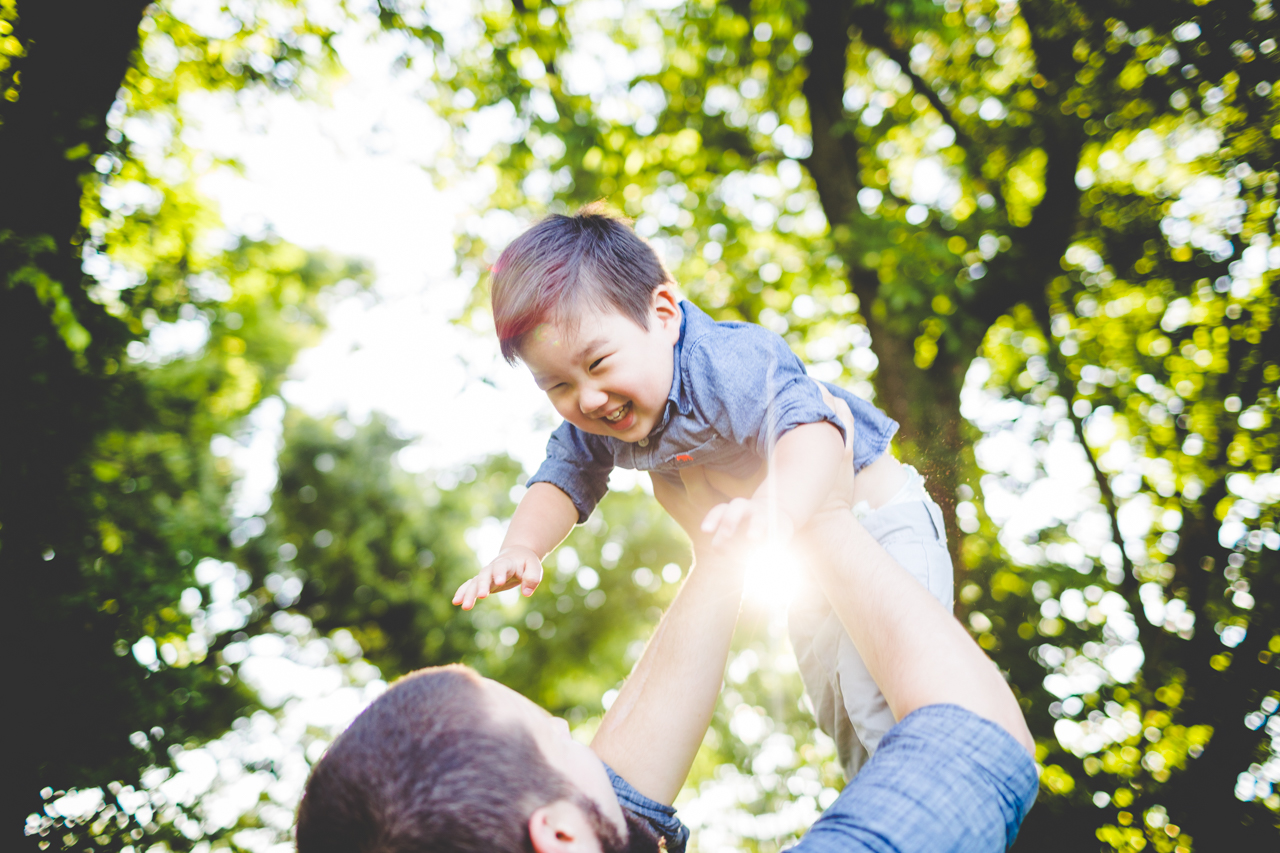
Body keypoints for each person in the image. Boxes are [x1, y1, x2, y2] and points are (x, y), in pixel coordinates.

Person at [296, 392, 1038, 853]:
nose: (585, 744)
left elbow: (618, 812)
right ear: (554, 835)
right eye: (559, 735)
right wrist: (820, 509)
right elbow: (976, 739)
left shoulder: (560, 825)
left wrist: (718, 559)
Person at [452, 205, 954, 778]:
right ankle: (880, 800)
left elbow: (814, 429)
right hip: (805, 561)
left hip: (879, 521)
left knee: (882, 699)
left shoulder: (726, 362)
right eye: (558, 385)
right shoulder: (598, 420)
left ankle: (929, 800)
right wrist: (522, 548)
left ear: (663, 313)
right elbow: (561, 478)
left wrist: (780, 510)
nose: (587, 399)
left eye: (598, 362)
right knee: (837, 707)